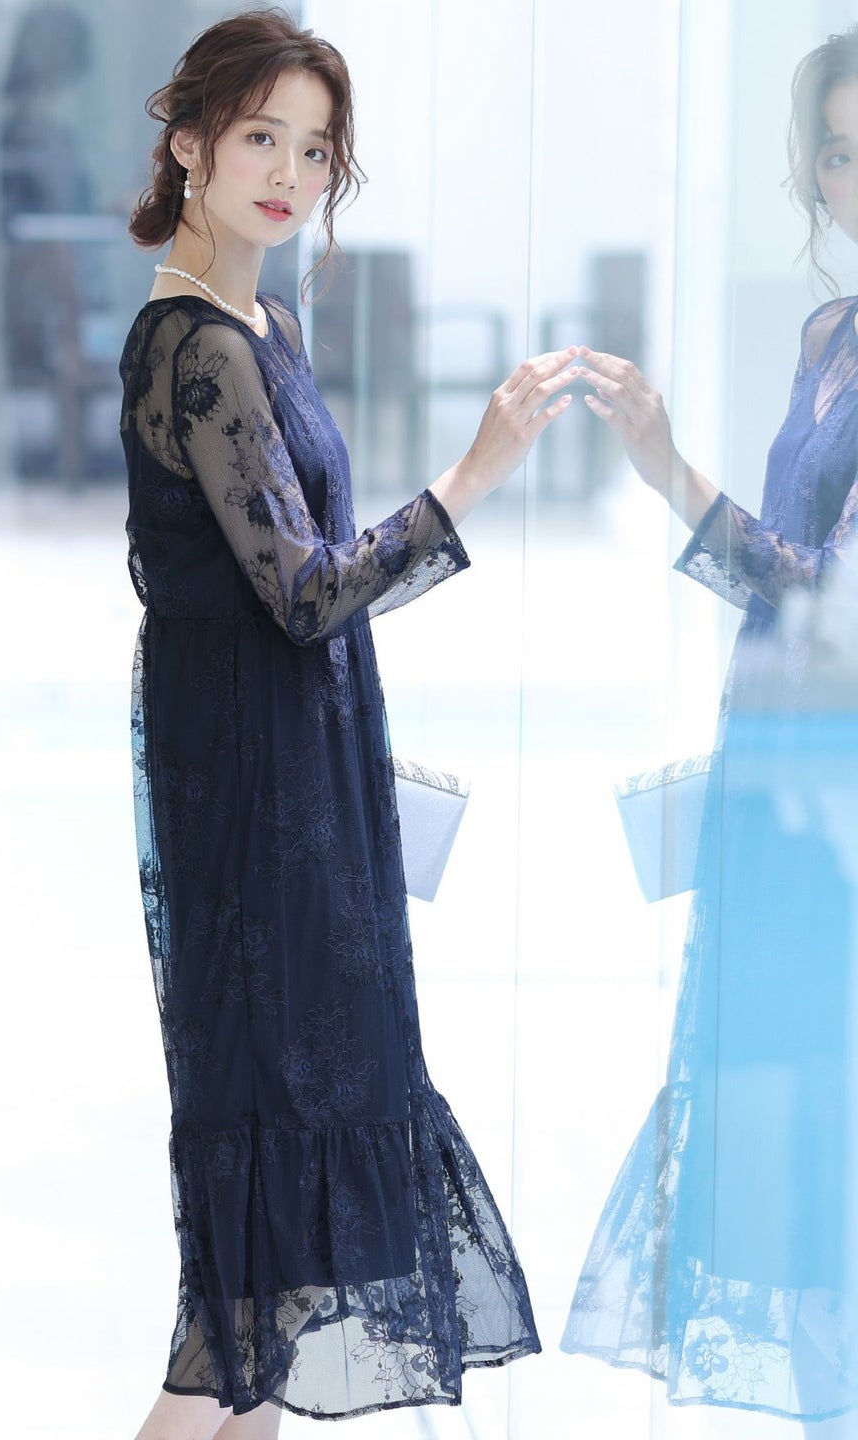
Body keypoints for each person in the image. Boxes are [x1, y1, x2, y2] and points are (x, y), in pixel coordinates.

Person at [120, 9, 574, 1437]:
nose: (290, 173)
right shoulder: (195, 347)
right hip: (250, 802)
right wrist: (474, 475)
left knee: (283, 1279)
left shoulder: (269, 327)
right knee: (246, 1281)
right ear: (190, 143)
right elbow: (307, 592)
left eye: (315, 150)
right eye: (261, 137)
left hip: (300, 781)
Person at [562, 25, 858, 1429]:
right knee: (781, 1124)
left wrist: (670, 472)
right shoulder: (829, 338)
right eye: (841, 154)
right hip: (776, 764)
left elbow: (826, 597)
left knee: (830, 1119)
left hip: (841, 784)